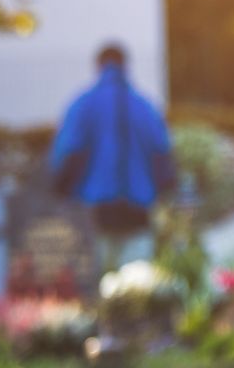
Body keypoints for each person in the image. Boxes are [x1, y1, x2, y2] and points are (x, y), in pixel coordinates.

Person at [49, 42, 175, 271]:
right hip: (138, 208)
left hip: (96, 209)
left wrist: (62, 191)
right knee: (136, 283)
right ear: (126, 66)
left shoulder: (83, 104)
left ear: (98, 66)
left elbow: (69, 151)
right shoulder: (145, 105)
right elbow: (163, 155)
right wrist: (161, 192)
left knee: (99, 280)